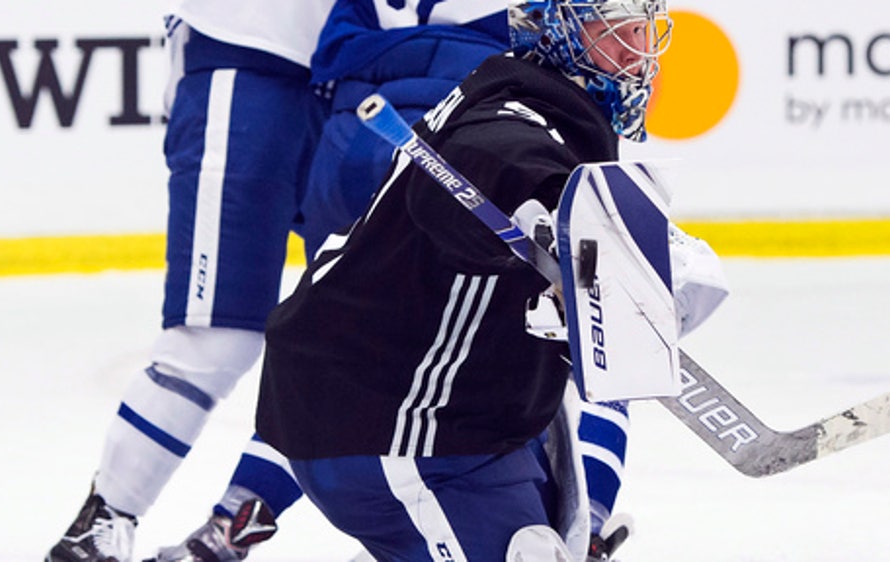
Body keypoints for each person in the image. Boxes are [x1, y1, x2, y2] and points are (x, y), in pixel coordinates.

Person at [252, 0, 675, 560]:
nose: (636, 55)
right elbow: (496, 154)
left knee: (550, 539)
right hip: (394, 426)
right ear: (563, 34)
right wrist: (544, 200)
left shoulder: (546, 107)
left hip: (449, 419)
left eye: (643, 34)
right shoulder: (516, 110)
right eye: (615, 33)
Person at [44, 2, 334, 561]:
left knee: (359, 344)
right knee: (216, 338)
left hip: (377, 76)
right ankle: (100, 521)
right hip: (247, 57)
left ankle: (225, 536)